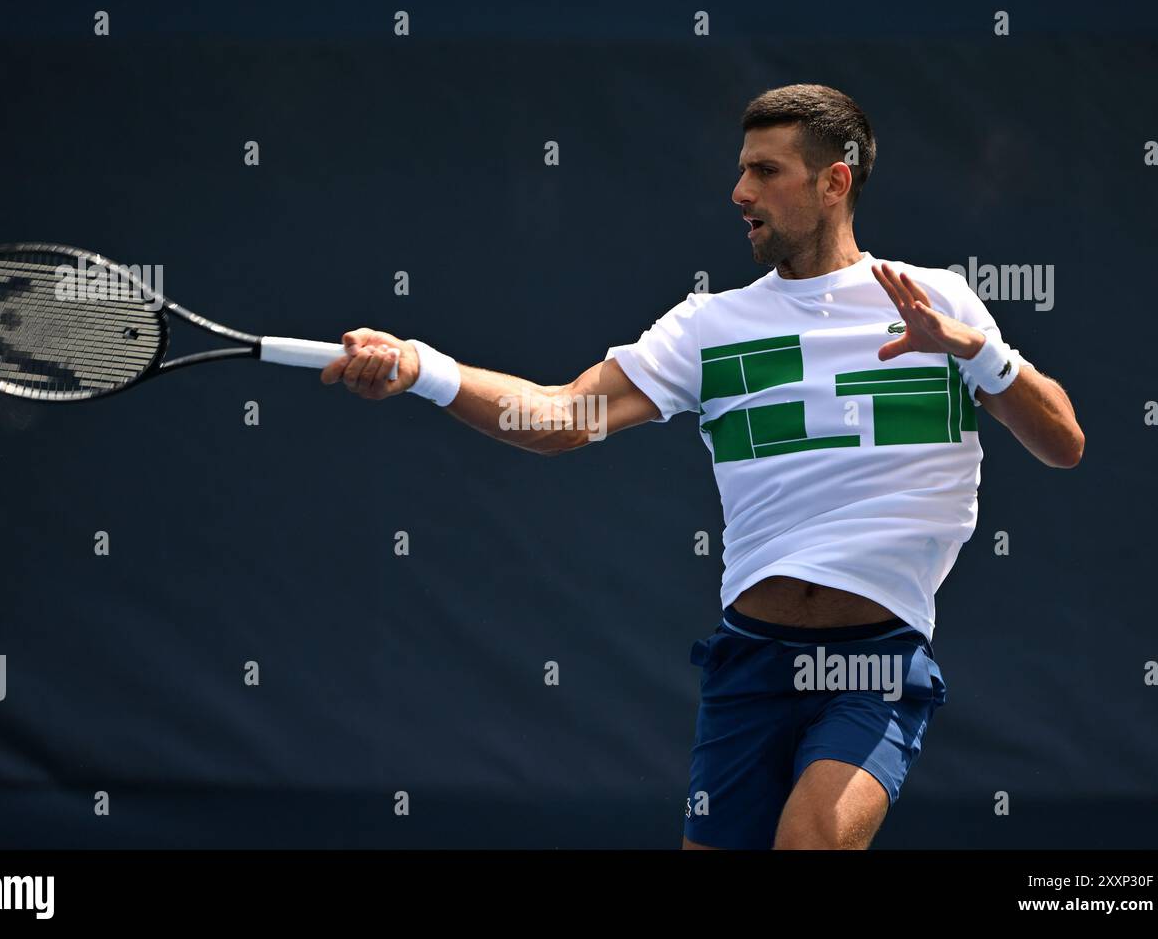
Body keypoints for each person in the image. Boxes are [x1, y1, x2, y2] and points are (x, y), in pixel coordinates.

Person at [319, 84, 1084, 849]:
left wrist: (975, 351)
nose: (739, 191)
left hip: (874, 667)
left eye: (765, 171)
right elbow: (559, 418)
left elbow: (1063, 443)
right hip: (750, 662)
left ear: (834, 182)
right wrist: (423, 368)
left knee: (811, 841)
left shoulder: (940, 301)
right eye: (741, 169)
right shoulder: (708, 326)